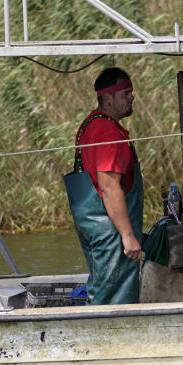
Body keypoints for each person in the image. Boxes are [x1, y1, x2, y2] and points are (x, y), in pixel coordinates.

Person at [63, 67, 144, 305]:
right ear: (107, 98)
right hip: (109, 227)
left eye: (132, 92)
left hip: (90, 222)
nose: (132, 97)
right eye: (126, 93)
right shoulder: (109, 132)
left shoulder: (89, 124)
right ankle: (110, 338)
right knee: (114, 294)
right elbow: (109, 186)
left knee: (102, 286)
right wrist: (127, 236)